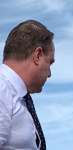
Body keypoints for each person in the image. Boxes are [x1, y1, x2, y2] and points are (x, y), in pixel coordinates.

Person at [0, 20, 55, 150]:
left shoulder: (17, 96)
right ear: (38, 55)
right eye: (50, 62)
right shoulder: (2, 89)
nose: (49, 73)